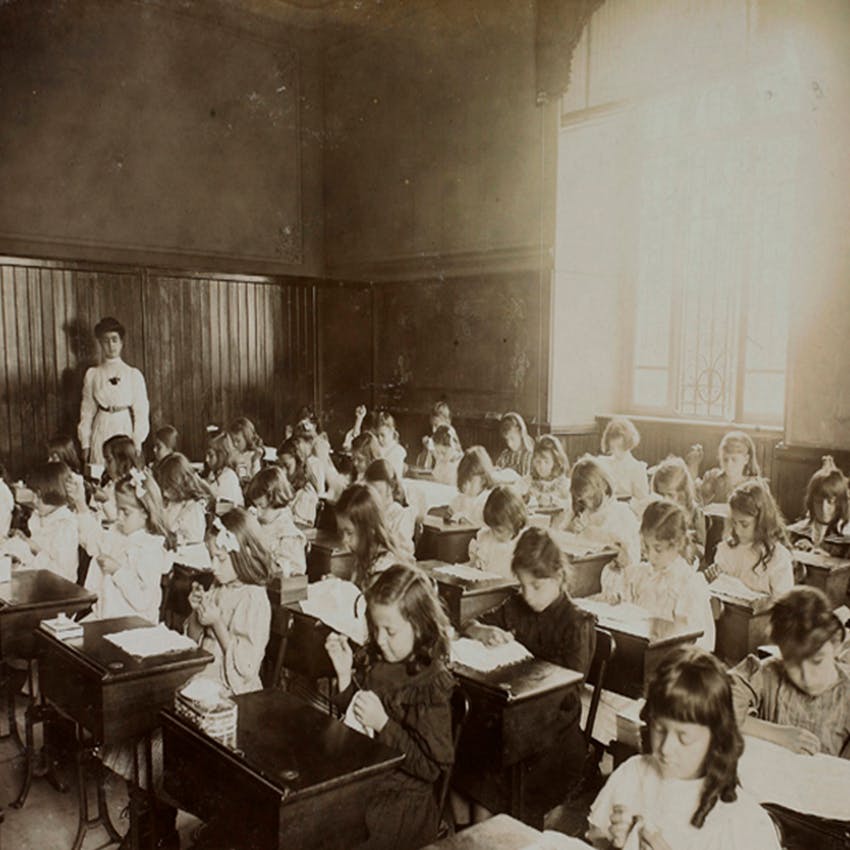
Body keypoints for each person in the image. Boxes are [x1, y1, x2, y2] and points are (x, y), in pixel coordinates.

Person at [587, 647, 781, 850]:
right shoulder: (633, 774)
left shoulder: (740, 820)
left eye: (684, 738)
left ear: (716, 738)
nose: (666, 748)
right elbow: (595, 839)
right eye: (660, 729)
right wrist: (614, 842)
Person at [466, 527, 597, 820]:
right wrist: (482, 630)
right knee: (479, 769)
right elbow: (473, 622)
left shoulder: (577, 623)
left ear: (560, 577)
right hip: (514, 723)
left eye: (536, 586)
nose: (527, 594)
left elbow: (569, 691)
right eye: (522, 585)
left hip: (555, 734)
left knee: (496, 775)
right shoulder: (516, 605)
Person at [325, 564, 455, 850]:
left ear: (420, 627)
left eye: (390, 631)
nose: (380, 640)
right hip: (370, 780)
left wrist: (384, 724)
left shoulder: (430, 683)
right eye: (375, 628)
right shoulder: (381, 660)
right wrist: (345, 676)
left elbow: (431, 768)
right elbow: (361, 723)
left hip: (403, 803)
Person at [730, 586, 850, 758]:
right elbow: (715, 706)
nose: (807, 678)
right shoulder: (766, 674)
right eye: (793, 664)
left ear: (836, 643)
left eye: (817, 660)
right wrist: (776, 734)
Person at [601, 500, 715, 651]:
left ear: (678, 544)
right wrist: (618, 602)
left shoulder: (688, 584)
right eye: (647, 547)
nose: (650, 556)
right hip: (641, 652)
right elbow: (627, 616)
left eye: (658, 549)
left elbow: (694, 642)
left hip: (674, 660)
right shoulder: (638, 575)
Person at [185, 509, 273, 695]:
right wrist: (196, 612)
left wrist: (217, 623)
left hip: (234, 689)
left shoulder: (254, 599)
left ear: (244, 556)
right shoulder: (220, 585)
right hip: (204, 674)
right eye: (211, 557)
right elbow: (192, 641)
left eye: (221, 559)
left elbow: (246, 668)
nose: (213, 567)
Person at [75, 469, 173, 623]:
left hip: (133, 624)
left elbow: (142, 600)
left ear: (145, 513)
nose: (119, 517)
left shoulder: (150, 548)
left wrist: (117, 571)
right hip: (105, 617)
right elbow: (92, 541)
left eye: (125, 512)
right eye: (118, 509)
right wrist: (81, 506)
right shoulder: (117, 534)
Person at [78, 316, 149, 467]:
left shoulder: (133, 374)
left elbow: (141, 411)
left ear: (121, 343)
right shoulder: (93, 374)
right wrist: (85, 443)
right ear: (100, 344)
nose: (111, 345)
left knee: (124, 469)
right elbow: (87, 410)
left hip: (123, 426)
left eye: (114, 340)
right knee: (101, 468)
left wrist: (137, 441)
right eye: (106, 341)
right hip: (102, 425)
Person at [707, 479, 793, 599]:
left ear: (762, 522)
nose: (737, 531)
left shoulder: (778, 557)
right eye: (734, 523)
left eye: (744, 524)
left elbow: (784, 606)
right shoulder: (726, 549)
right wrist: (711, 580)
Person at [556, 456, 641, 569]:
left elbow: (631, 556)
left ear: (604, 486)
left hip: (615, 573)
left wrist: (592, 533)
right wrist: (569, 530)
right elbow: (562, 538)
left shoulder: (621, 513)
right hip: (585, 571)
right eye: (582, 500)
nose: (588, 504)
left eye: (591, 498)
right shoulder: (581, 512)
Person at [3, 461, 78, 581]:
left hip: (56, 590)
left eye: (38, 496)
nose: (33, 501)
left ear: (54, 494)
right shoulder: (42, 516)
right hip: (37, 579)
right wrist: (24, 541)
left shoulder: (65, 526)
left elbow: (64, 576)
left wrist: (35, 549)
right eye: (33, 495)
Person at [335, 484, 410, 589]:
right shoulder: (365, 554)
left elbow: (365, 602)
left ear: (370, 530)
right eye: (341, 532)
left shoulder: (384, 569)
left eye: (349, 533)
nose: (344, 540)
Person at [245, 466, 306, 577]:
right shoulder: (258, 521)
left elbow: (290, 573)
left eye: (262, 506)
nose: (258, 512)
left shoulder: (288, 534)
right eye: (256, 506)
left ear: (277, 501)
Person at [787, 455, 850, 554]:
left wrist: (827, 559)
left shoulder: (846, 538)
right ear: (811, 502)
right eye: (818, 502)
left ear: (840, 503)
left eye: (830, 502)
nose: (824, 509)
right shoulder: (795, 533)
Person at [651, 456, 707, 565]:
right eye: (660, 494)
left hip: (684, 566)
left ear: (683, 494)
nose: (664, 500)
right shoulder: (654, 511)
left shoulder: (694, 513)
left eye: (670, 495)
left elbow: (700, 551)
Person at [467, 486, 528, 579]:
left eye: (500, 530)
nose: (494, 534)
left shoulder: (524, 542)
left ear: (516, 522)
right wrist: (477, 563)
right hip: (489, 589)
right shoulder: (486, 537)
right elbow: (478, 563)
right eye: (492, 528)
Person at [364, 459, 416, 560]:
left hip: (397, 564)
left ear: (391, 487)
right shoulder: (370, 511)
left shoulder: (401, 514)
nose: (373, 495)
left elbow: (404, 551)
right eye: (370, 490)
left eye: (377, 490)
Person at [695, 431, 761, 506]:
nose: (729, 464)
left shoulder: (753, 485)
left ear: (746, 459)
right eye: (725, 459)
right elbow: (700, 504)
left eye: (734, 459)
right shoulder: (713, 478)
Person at [597, 417, 649, 502]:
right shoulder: (603, 463)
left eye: (620, 447)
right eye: (613, 448)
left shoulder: (637, 468)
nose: (616, 452)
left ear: (628, 444)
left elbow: (642, 500)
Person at [447, 446, 496, 526]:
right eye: (463, 480)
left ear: (483, 480)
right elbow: (450, 511)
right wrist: (449, 514)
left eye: (470, 481)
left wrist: (465, 521)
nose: (466, 486)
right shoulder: (460, 499)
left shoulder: (486, 502)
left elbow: (485, 528)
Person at [526, 434, 570, 509]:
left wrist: (551, 500)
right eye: (538, 462)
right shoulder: (530, 481)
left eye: (546, 462)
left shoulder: (562, 484)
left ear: (556, 462)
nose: (542, 467)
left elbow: (568, 504)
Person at [204, 431, 244, 507]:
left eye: (211, 456)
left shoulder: (229, 476)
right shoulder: (213, 473)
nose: (207, 459)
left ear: (221, 456)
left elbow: (225, 508)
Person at [495, 412, 534, 476]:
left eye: (512, 438)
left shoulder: (530, 455)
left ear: (521, 433)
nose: (509, 444)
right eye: (506, 440)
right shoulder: (505, 455)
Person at [228, 417, 264, 483]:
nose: (235, 444)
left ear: (247, 438)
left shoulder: (254, 455)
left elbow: (256, 477)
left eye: (238, 441)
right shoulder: (235, 454)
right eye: (233, 441)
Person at [374, 410, 407, 480]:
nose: (379, 439)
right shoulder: (375, 447)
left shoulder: (398, 451)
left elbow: (395, 476)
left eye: (382, 435)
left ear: (392, 432)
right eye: (377, 435)